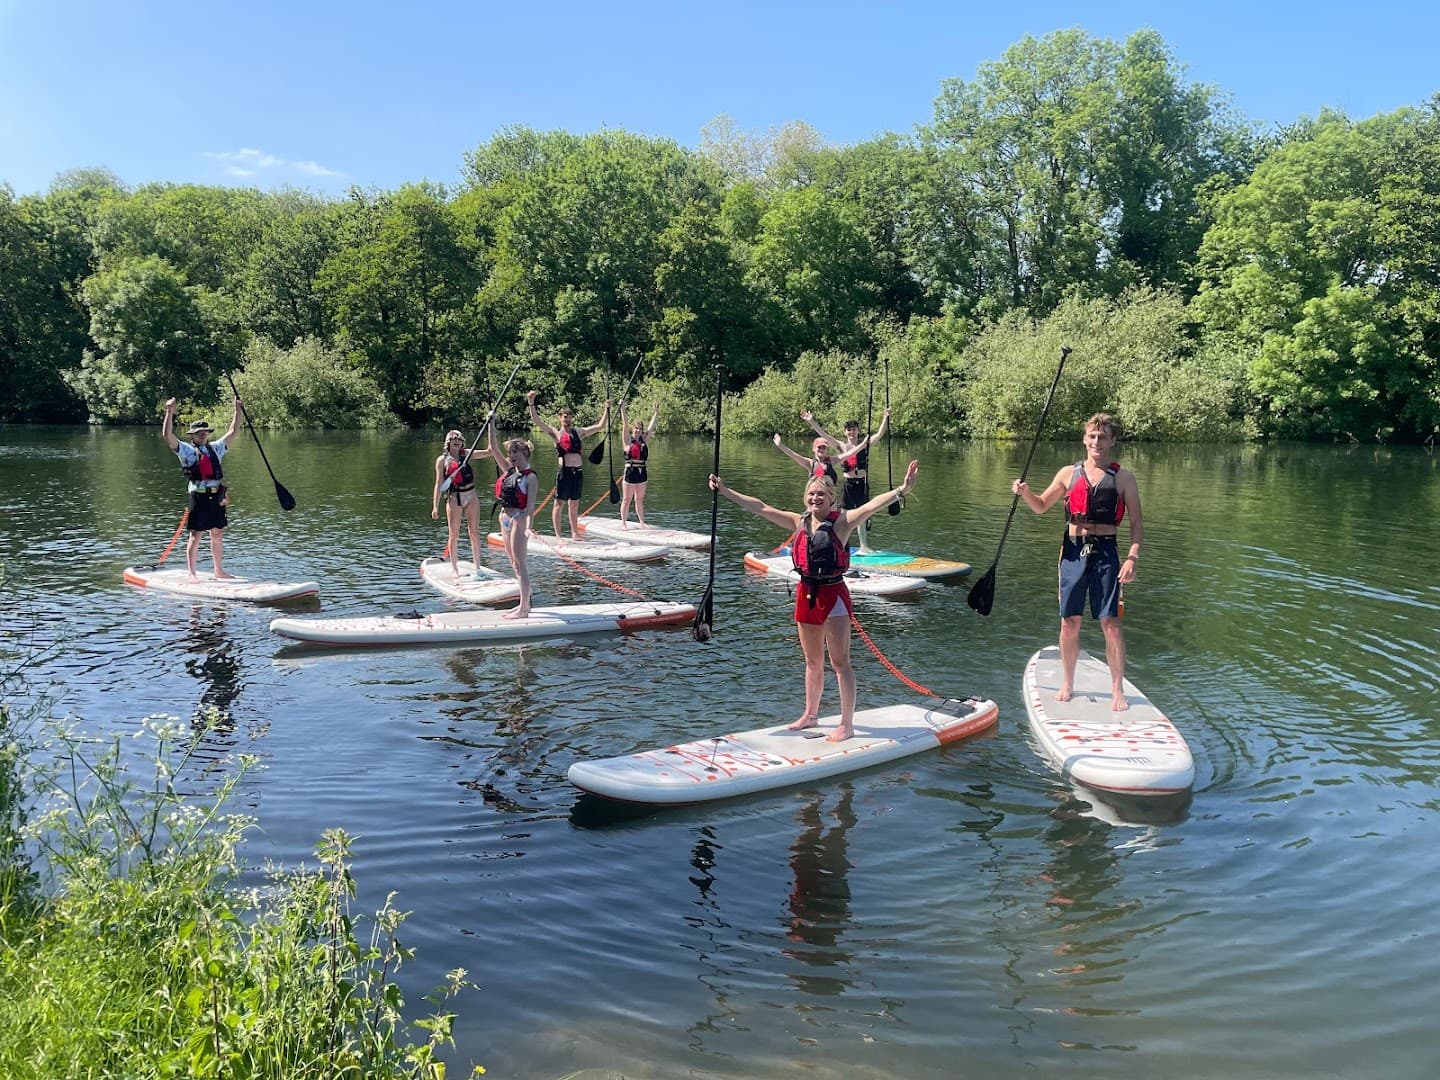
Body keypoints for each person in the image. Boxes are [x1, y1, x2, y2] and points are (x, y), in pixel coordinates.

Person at [709, 460, 919, 742]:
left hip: (833, 595)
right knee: (812, 661)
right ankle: (810, 715)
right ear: (805, 498)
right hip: (806, 594)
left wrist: (902, 490)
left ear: (832, 498)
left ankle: (846, 723)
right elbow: (759, 507)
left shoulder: (842, 523)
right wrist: (725, 491)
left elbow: (872, 506)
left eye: (821, 494)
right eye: (811, 494)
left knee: (840, 662)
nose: (815, 498)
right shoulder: (799, 522)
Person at [1011, 412, 1143, 711]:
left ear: (1112, 441)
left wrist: (1132, 557)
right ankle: (1068, 681)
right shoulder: (1068, 473)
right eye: (1092, 436)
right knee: (1069, 621)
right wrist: (1025, 492)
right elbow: (1042, 506)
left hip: (1107, 553)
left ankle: (1117, 689)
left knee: (1111, 624)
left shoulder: (1124, 478)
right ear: (1085, 439)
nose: (1097, 442)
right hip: (1072, 551)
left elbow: (1137, 524)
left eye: (1103, 437)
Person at [162, 396, 243, 582]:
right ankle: (192, 573)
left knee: (217, 533)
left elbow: (233, 431)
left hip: (216, 498)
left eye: (205, 432)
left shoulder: (216, 448)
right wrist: (169, 412)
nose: (202, 434)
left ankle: (218, 571)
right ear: (192, 435)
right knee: (196, 535)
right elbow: (168, 436)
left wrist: (237, 410)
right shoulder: (186, 450)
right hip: (198, 497)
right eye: (199, 433)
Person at [804, 408, 891, 553]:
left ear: (858, 431)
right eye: (849, 430)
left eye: (854, 430)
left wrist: (885, 418)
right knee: (843, 516)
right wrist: (811, 421)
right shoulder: (841, 446)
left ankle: (864, 546)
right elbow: (824, 435)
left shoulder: (865, 443)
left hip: (862, 484)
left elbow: (880, 434)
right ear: (845, 432)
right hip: (848, 485)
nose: (851, 432)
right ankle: (841, 544)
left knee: (862, 515)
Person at [527, 390, 608, 541]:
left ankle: (574, 533)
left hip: (578, 472)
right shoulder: (555, 433)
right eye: (565, 417)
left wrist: (606, 409)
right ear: (560, 418)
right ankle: (558, 535)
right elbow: (536, 421)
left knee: (575, 504)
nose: (567, 419)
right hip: (564, 473)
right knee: (559, 504)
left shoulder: (579, 432)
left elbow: (600, 426)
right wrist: (531, 402)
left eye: (569, 417)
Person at [483, 420, 539, 619]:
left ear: (524, 453)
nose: (511, 456)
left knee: (520, 562)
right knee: (514, 564)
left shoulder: (530, 478)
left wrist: (526, 526)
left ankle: (525, 608)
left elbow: (531, 506)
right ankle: (523, 603)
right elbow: (493, 447)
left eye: (515, 452)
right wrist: (491, 422)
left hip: (518, 519)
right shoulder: (508, 470)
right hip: (504, 518)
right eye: (511, 453)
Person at [431, 429, 484, 577]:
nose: (457, 441)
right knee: (453, 535)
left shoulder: (467, 454)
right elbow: (439, 483)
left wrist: (491, 425)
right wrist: (435, 506)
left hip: (471, 496)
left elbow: (489, 452)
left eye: (459, 439)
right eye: (453, 439)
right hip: (454, 498)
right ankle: (454, 568)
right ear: (448, 442)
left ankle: (478, 567)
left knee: (474, 532)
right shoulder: (442, 460)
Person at [618, 400, 659, 528]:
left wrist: (656, 413)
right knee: (626, 499)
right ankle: (623, 523)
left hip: (642, 473)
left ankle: (641, 522)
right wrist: (622, 409)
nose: (638, 430)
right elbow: (624, 424)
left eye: (640, 429)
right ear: (633, 429)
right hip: (630, 472)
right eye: (636, 428)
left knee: (639, 500)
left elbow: (651, 428)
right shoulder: (627, 440)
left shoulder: (644, 440)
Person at [772, 427, 840, 484]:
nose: (821, 450)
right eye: (819, 447)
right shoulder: (810, 463)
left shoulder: (832, 461)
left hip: (829, 497)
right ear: (813, 449)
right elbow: (793, 455)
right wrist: (780, 445)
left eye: (824, 447)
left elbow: (848, 454)